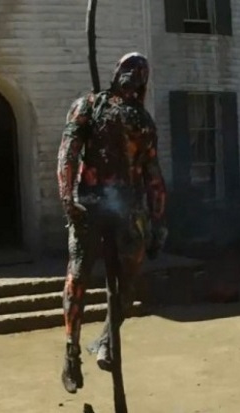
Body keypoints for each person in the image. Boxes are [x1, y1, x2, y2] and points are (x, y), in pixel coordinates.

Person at [56, 52, 168, 393]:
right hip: (89, 204)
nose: (133, 74)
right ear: (116, 72)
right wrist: (67, 198)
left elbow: (153, 175)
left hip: (126, 209)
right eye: (128, 68)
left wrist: (157, 221)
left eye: (140, 71)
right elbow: (68, 152)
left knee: (129, 278)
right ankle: (71, 351)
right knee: (78, 275)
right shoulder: (88, 106)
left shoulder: (143, 122)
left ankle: (106, 338)